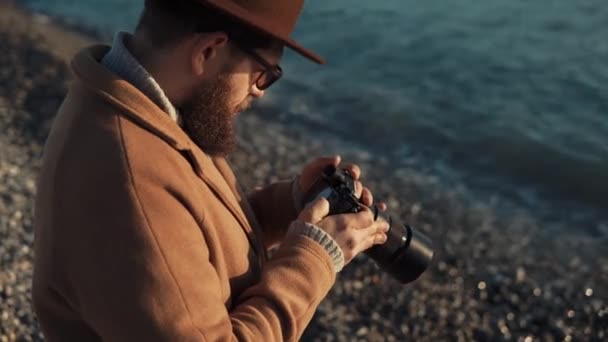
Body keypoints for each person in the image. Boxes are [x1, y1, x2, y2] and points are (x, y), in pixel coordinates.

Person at [32, 0, 389, 340]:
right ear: (208, 51)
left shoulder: (146, 113)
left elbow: (188, 241)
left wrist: (290, 205)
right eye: (265, 74)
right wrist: (316, 257)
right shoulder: (128, 177)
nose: (260, 92)